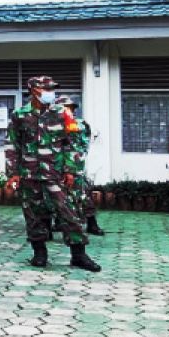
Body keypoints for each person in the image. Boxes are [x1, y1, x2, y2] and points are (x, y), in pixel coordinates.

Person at [6, 76, 101, 271]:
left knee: (69, 212)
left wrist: (71, 170)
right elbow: (12, 144)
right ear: (33, 90)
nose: (51, 92)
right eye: (46, 89)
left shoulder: (63, 113)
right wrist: (13, 173)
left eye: (52, 89)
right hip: (29, 173)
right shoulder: (20, 115)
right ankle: (39, 254)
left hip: (56, 174)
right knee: (33, 214)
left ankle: (79, 255)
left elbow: (73, 143)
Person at [59, 96, 104, 236]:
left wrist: (73, 163)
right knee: (57, 195)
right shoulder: (53, 124)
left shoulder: (79, 124)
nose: (66, 110)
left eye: (68, 107)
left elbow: (80, 146)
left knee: (82, 194)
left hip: (75, 165)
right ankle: (57, 223)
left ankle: (91, 223)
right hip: (56, 165)